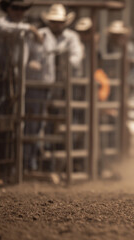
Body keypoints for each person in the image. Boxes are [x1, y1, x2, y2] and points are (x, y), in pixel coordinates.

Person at [23, 4, 83, 171]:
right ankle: (31, 161)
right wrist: (32, 64)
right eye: (54, 21)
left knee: (61, 126)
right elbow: (27, 58)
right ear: (49, 21)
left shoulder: (71, 37)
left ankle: (53, 164)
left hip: (63, 90)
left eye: (60, 21)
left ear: (64, 22)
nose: (57, 24)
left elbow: (76, 57)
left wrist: (62, 61)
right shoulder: (39, 35)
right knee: (36, 124)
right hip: (42, 86)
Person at [0, 0, 43, 117]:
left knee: (14, 109)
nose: (19, 12)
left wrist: (35, 60)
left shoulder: (24, 29)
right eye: (15, 8)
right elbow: (2, 27)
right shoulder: (1, 23)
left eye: (22, 9)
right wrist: (30, 28)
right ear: (8, 9)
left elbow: (37, 47)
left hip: (17, 75)